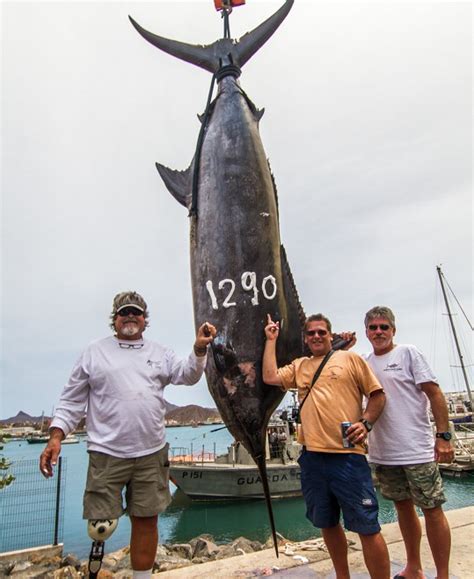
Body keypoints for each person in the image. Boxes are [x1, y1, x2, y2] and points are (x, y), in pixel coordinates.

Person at [39, 291, 216, 579]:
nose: (130, 316)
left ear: (145, 320)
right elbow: (72, 401)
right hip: (106, 452)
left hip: (150, 452)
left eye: (136, 312)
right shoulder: (94, 352)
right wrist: (56, 437)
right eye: (124, 312)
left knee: (146, 520)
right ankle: (94, 570)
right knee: (100, 525)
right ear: (115, 319)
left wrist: (198, 349)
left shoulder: (160, 352)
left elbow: (187, 375)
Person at [263, 313, 390, 579]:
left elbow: (377, 395)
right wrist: (271, 339)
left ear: (330, 336)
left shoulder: (350, 359)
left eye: (322, 332)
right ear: (305, 339)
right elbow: (270, 377)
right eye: (311, 333)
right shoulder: (300, 366)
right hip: (312, 459)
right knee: (327, 523)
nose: (317, 336)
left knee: (367, 527)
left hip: (348, 458)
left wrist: (365, 424)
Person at [363, 306, 454, 579]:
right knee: (402, 508)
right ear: (366, 331)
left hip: (417, 450)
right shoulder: (365, 362)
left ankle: (443, 574)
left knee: (432, 510)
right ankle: (413, 567)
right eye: (373, 327)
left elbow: (434, 394)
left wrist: (443, 436)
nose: (379, 332)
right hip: (384, 453)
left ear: (393, 330)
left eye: (384, 327)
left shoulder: (408, 353)